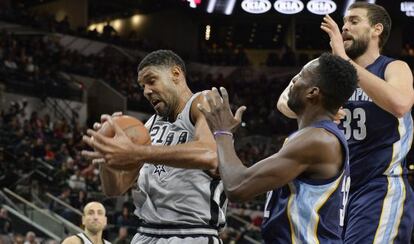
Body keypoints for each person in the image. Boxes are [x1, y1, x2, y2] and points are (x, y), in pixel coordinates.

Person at [278, 3, 414, 243]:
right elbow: (284, 103)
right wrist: (319, 107)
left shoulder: (393, 67)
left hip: (379, 185)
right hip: (337, 188)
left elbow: (400, 104)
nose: (345, 28)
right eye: (344, 23)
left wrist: (342, 59)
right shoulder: (330, 73)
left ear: (376, 29)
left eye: (354, 21)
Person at [198, 53, 358, 243]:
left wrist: (222, 133)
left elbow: (237, 187)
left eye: (300, 77)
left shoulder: (317, 141)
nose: (293, 81)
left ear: (313, 93)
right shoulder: (315, 137)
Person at [82, 50, 225, 243]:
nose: (146, 91)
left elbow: (209, 155)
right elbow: (114, 189)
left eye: (151, 81)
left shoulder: (204, 101)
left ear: (176, 74)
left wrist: (137, 152)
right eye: (142, 86)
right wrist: (106, 155)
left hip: (192, 232)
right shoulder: (147, 127)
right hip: (145, 232)